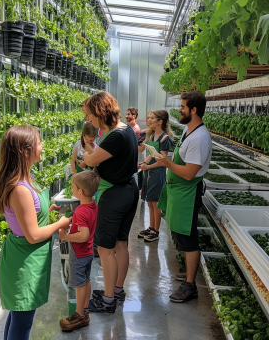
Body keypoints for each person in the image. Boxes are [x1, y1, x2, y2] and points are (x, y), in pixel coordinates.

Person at [0, 125, 72, 340]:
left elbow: (31, 215)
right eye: (38, 142)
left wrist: (49, 210)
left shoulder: (27, 178)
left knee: (19, 314)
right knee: (22, 320)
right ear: (25, 151)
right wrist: (61, 223)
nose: (42, 146)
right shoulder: (20, 188)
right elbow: (33, 235)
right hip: (24, 260)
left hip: (28, 257)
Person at [82, 92, 139, 313]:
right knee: (121, 244)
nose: (89, 120)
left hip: (114, 194)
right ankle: (116, 291)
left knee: (105, 248)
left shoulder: (115, 135)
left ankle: (107, 300)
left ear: (99, 111)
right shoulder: (126, 130)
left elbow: (90, 160)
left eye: (90, 115)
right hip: (129, 190)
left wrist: (87, 151)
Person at [155, 91, 212, 303]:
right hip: (179, 191)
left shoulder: (199, 138)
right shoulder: (190, 131)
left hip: (187, 192)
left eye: (183, 106)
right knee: (181, 234)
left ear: (193, 110)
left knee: (189, 238)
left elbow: (189, 173)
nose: (179, 109)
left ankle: (190, 285)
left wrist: (167, 163)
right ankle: (187, 272)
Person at [59, 170, 100, 331]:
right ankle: (85, 309)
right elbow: (84, 223)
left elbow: (83, 235)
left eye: (73, 187)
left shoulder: (81, 211)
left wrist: (65, 236)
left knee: (79, 285)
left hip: (79, 253)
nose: (72, 189)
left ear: (80, 192)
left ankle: (79, 315)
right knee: (87, 280)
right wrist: (72, 221)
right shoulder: (91, 205)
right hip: (88, 252)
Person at [138, 110, 174, 242]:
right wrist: (144, 163)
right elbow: (150, 155)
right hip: (149, 173)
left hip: (157, 173)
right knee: (149, 201)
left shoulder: (165, 139)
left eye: (152, 118)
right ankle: (151, 227)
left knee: (156, 203)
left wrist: (148, 166)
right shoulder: (153, 136)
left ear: (160, 121)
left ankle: (156, 231)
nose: (149, 120)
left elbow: (162, 161)